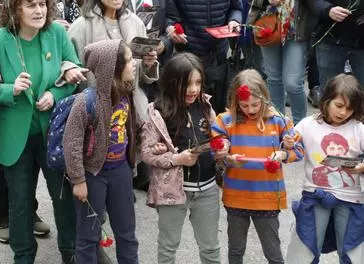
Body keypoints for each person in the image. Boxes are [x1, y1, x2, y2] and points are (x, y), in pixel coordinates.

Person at [0, 0, 84, 264]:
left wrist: (54, 92)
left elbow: (72, 72)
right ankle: (23, 256)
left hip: (52, 132)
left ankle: (70, 253)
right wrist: (9, 90)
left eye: (42, 4)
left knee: (62, 199)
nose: (39, 10)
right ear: (16, 9)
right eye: (31, 5)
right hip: (15, 136)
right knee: (20, 202)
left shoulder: (57, 33)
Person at [212, 69, 303, 264]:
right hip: (236, 197)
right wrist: (226, 154)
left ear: (265, 98)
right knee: (235, 251)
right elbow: (216, 151)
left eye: (255, 104)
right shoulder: (225, 121)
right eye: (244, 105)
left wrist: (283, 153)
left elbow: (299, 151)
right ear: (236, 102)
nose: (251, 109)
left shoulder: (279, 121)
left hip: (267, 197)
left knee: (273, 253)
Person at [140, 53, 224, 264]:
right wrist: (177, 159)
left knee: (211, 248)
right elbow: (147, 152)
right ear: (171, 82)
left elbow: (219, 138)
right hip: (172, 192)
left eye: (197, 83)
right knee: (168, 247)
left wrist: (222, 149)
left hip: (207, 189)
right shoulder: (158, 111)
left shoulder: (205, 105)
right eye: (187, 84)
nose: (193, 89)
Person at [64, 40, 143, 264]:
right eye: (128, 61)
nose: (133, 64)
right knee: (88, 237)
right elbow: (72, 142)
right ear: (113, 68)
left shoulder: (127, 93)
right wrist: (78, 180)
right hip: (92, 176)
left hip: (120, 171)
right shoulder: (87, 101)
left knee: (127, 234)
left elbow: (131, 129)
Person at [286, 74, 364, 264]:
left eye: (349, 108)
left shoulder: (359, 129)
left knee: (353, 252)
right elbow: (290, 151)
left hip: (350, 198)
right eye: (339, 105)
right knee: (305, 249)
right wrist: (287, 143)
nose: (343, 112)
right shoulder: (307, 125)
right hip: (315, 194)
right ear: (326, 99)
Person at [166, 0, 242, 113]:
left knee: (218, 105)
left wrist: (234, 20)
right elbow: (170, 15)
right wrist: (172, 30)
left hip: (219, 52)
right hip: (190, 53)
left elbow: (236, 7)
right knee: (191, 106)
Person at [68, 0, 160, 87]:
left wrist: (148, 64)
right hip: (96, 101)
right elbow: (71, 69)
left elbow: (142, 78)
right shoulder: (81, 27)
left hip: (132, 101)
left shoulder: (136, 23)